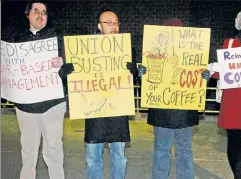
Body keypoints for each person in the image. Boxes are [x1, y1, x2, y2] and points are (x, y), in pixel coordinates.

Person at [9, 1, 73, 179]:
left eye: (44, 12)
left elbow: (71, 67)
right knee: (28, 149)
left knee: (54, 149)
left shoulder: (57, 38)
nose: (40, 15)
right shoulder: (16, 40)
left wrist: (64, 64)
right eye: (36, 11)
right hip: (26, 105)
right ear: (27, 14)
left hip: (53, 104)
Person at [141, 18, 199, 179]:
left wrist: (204, 76)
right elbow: (148, 81)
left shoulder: (192, 53)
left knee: (183, 150)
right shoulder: (154, 53)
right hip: (162, 110)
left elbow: (197, 76)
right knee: (162, 150)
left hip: (184, 108)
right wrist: (142, 74)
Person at [84, 10, 135, 179]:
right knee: (93, 157)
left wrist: (135, 70)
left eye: (116, 22)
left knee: (119, 156)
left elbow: (133, 76)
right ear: (99, 26)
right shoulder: (86, 50)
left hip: (117, 111)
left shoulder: (127, 49)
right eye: (109, 22)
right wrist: (67, 71)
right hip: (94, 112)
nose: (114, 26)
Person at [202, 11, 241, 179]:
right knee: (235, 142)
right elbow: (223, 70)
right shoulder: (230, 44)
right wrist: (209, 72)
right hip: (234, 101)